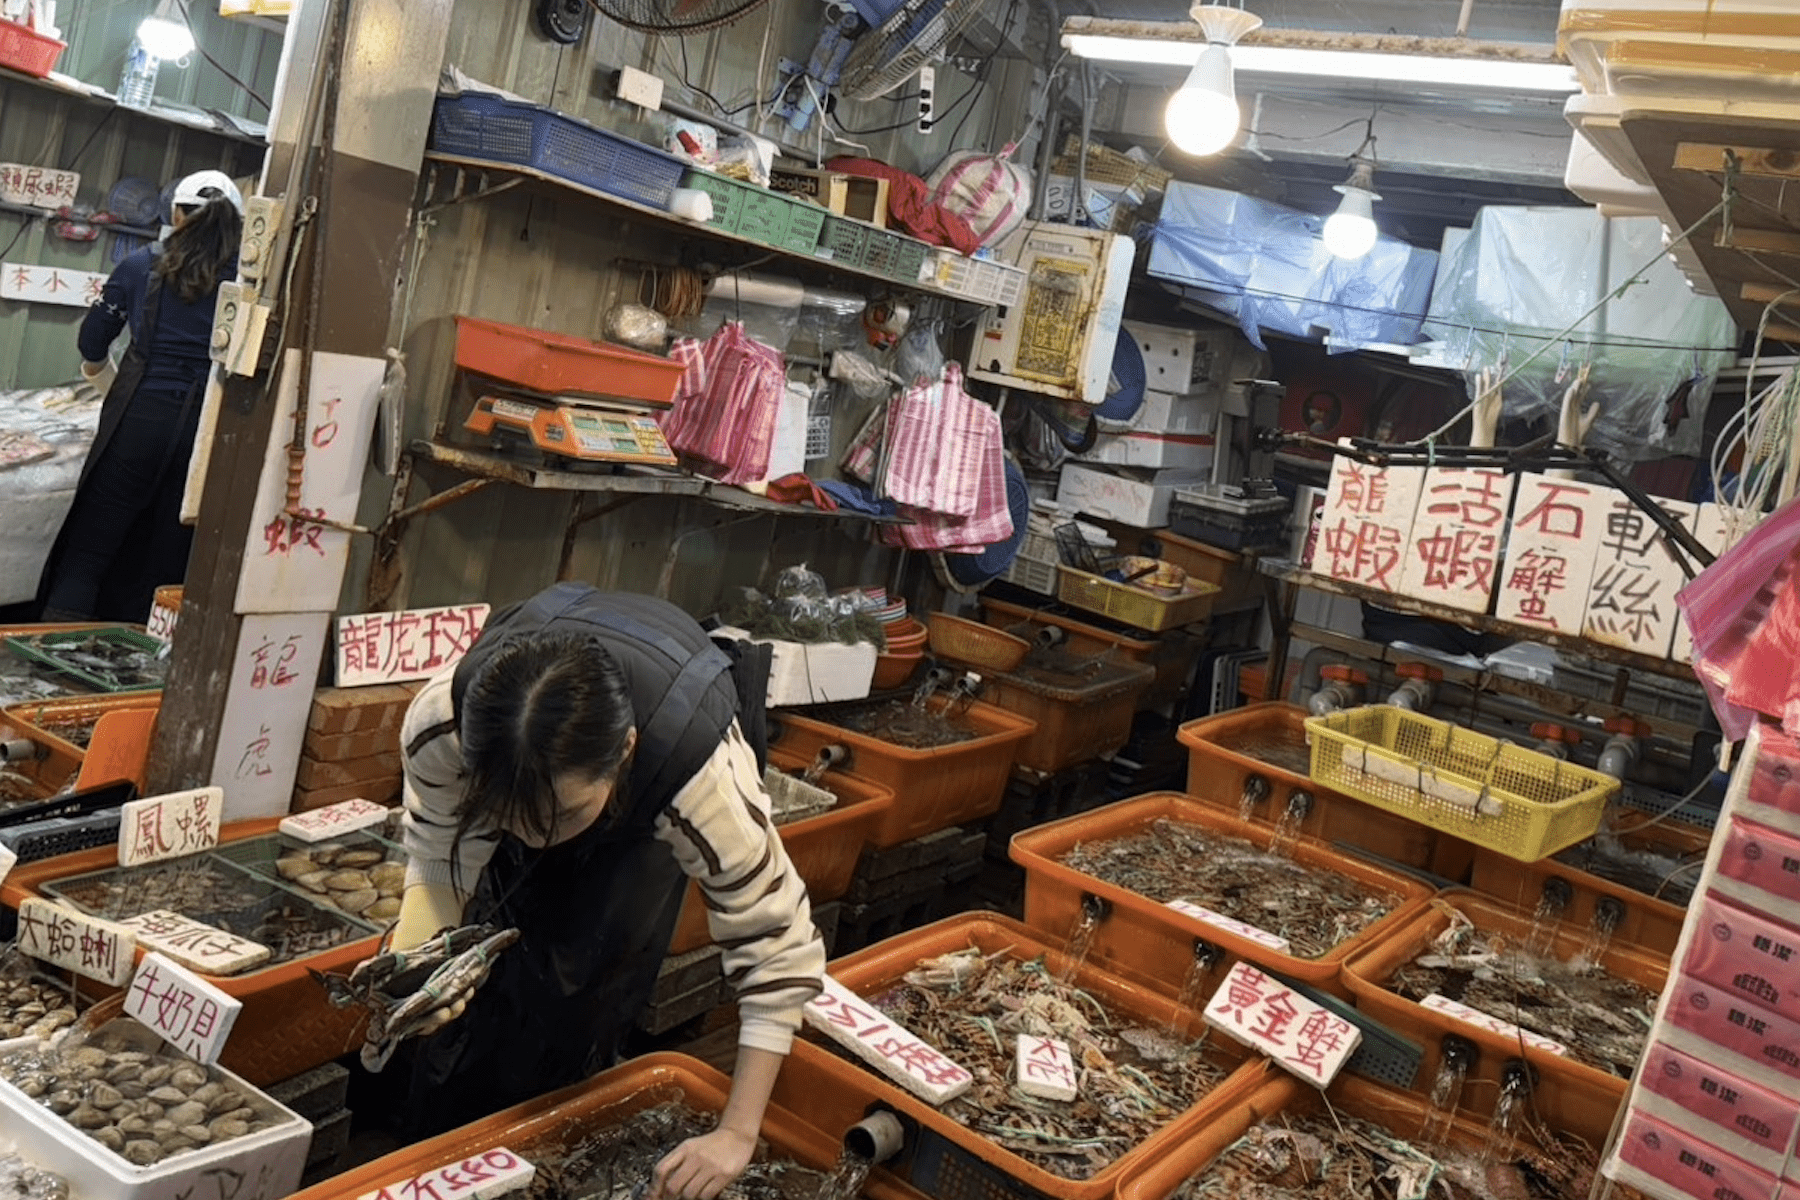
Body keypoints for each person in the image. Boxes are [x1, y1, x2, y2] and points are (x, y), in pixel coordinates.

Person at [392, 582, 826, 1200]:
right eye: (510, 815)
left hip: (643, 813)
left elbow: (778, 948)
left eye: (559, 818)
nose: (534, 839)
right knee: (471, 1015)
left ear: (625, 750)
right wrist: (421, 947)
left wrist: (737, 1131)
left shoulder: (701, 783)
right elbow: (438, 846)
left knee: (584, 997)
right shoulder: (442, 726)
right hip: (547, 774)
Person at [36, 170, 243, 622]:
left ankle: (53, 655)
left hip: (139, 420)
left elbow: (93, 342)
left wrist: (103, 379)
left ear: (176, 213)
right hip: (204, 435)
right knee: (169, 553)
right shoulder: (251, 285)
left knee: (90, 547)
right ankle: (143, 664)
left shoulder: (139, 265)